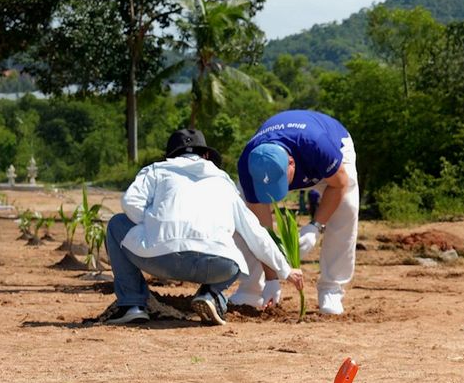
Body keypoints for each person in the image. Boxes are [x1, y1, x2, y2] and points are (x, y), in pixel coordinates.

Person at [102, 129, 300, 326]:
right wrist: (285, 270)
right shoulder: (223, 181)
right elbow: (255, 232)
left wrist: (153, 225)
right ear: (206, 156)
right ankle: (210, 294)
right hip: (217, 266)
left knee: (116, 224)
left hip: (159, 259)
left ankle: (132, 305)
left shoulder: (156, 170)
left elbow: (129, 202)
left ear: (170, 155)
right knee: (234, 244)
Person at [230, 109, 359, 316]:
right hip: (288, 157)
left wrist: (315, 227)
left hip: (334, 150)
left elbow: (340, 184)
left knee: (347, 206)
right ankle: (252, 288)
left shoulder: (317, 145)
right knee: (241, 210)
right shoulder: (248, 163)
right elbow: (260, 227)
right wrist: (272, 277)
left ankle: (331, 289)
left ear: (291, 163)